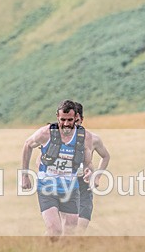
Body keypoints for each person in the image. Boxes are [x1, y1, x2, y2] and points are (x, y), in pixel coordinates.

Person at [21, 100, 93, 237]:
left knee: (70, 233)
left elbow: (87, 162)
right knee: (55, 230)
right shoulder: (46, 133)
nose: (66, 124)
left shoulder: (84, 137)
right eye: (63, 120)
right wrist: (24, 175)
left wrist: (89, 172)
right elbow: (27, 145)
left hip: (70, 189)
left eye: (70, 120)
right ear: (57, 117)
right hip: (47, 188)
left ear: (76, 117)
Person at [73, 102, 111, 234]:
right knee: (61, 229)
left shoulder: (93, 139)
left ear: (82, 119)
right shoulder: (59, 138)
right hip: (65, 186)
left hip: (84, 186)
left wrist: (97, 176)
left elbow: (105, 156)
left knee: (80, 229)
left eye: (77, 121)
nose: (74, 124)